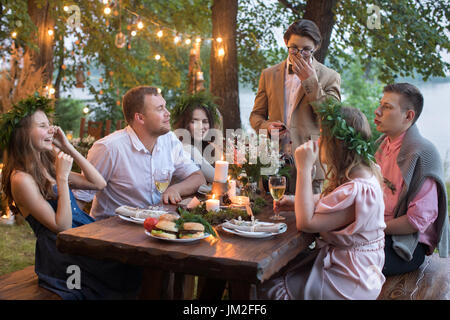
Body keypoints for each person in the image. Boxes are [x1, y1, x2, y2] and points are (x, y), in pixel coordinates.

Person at [0, 95, 143, 299]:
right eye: (42, 125)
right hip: (64, 254)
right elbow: (63, 227)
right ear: (22, 134)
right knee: (130, 271)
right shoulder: (21, 179)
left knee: (136, 265)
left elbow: (98, 183)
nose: (51, 129)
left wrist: (68, 148)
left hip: (83, 240)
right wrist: (62, 177)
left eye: (50, 124)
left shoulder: (46, 166)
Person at [259, 102, 386, 300]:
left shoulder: (357, 191)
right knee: (282, 268)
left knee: (269, 287)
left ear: (337, 145)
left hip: (350, 279)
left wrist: (303, 168)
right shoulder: (366, 174)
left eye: (322, 137)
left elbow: (306, 223)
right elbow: (333, 199)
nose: (318, 143)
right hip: (360, 268)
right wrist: (295, 201)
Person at [74, 86, 206, 220]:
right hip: (112, 232)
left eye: (165, 107)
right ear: (140, 118)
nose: (168, 113)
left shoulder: (169, 140)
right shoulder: (109, 148)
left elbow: (198, 177)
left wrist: (175, 189)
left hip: (155, 227)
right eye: (160, 109)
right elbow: (80, 199)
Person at [249, 19, 341, 194]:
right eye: (294, 48)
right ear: (286, 43)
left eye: (306, 49)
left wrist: (310, 82)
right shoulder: (268, 74)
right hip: (273, 164)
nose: (299, 54)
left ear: (317, 46)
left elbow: (332, 118)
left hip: (310, 166)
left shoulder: (331, 77)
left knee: (305, 221)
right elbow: (255, 117)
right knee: (269, 217)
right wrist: (266, 126)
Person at [374, 83, 449, 276]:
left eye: (387, 107)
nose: (378, 111)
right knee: (329, 249)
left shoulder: (423, 153)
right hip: (378, 232)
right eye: (380, 104)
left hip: (407, 245)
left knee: (351, 262)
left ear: (409, 116)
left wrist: (370, 228)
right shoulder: (381, 146)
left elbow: (416, 221)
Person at [171, 91, 222, 184]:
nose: (201, 126)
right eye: (194, 121)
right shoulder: (186, 147)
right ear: (184, 124)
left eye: (205, 121)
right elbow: (218, 178)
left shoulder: (205, 146)